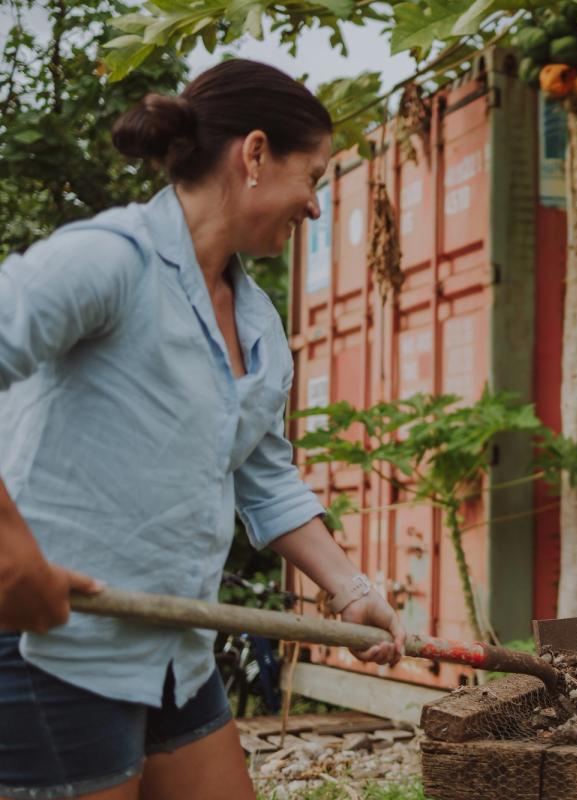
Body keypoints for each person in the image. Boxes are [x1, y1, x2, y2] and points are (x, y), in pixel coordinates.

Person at [0, 59, 405, 800]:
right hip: (57, 645)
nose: (314, 206)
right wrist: (10, 549)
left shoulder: (258, 324)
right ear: (254, 155)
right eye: (311, 175)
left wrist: (351, 589)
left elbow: (265, 476)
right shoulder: (111, 260)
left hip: (173, 645)